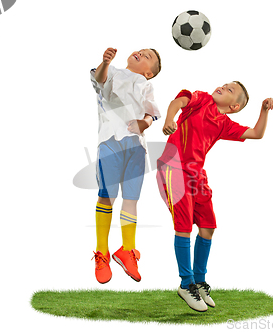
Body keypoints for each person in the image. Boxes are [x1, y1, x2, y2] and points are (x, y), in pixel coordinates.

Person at [156, 82, 273, 311]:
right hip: (174, 168)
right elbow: (178, 102)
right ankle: (186, 284)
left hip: (196, 174)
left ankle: (199, 281)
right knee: (183, 227)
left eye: (230, 90)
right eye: (224, 84)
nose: (223, 87)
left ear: (233, 106)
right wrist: (169, 120)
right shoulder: (201, 99)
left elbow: (256, 133)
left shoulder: (224, 124)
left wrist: (263, 109)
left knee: (208, 227)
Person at [90, 47, 161, 284]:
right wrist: (105, 62)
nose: (140, 52)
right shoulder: (112, 72)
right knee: (107, 197)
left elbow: (152, 112)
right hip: (110, 141)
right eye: (141, 50)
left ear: (149, 73)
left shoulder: (145, 85)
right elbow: (99, 79)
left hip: (136, 147)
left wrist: (144, 123)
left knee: (131, 199)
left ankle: (127, 250)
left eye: (148, 56)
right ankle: (102, 252)